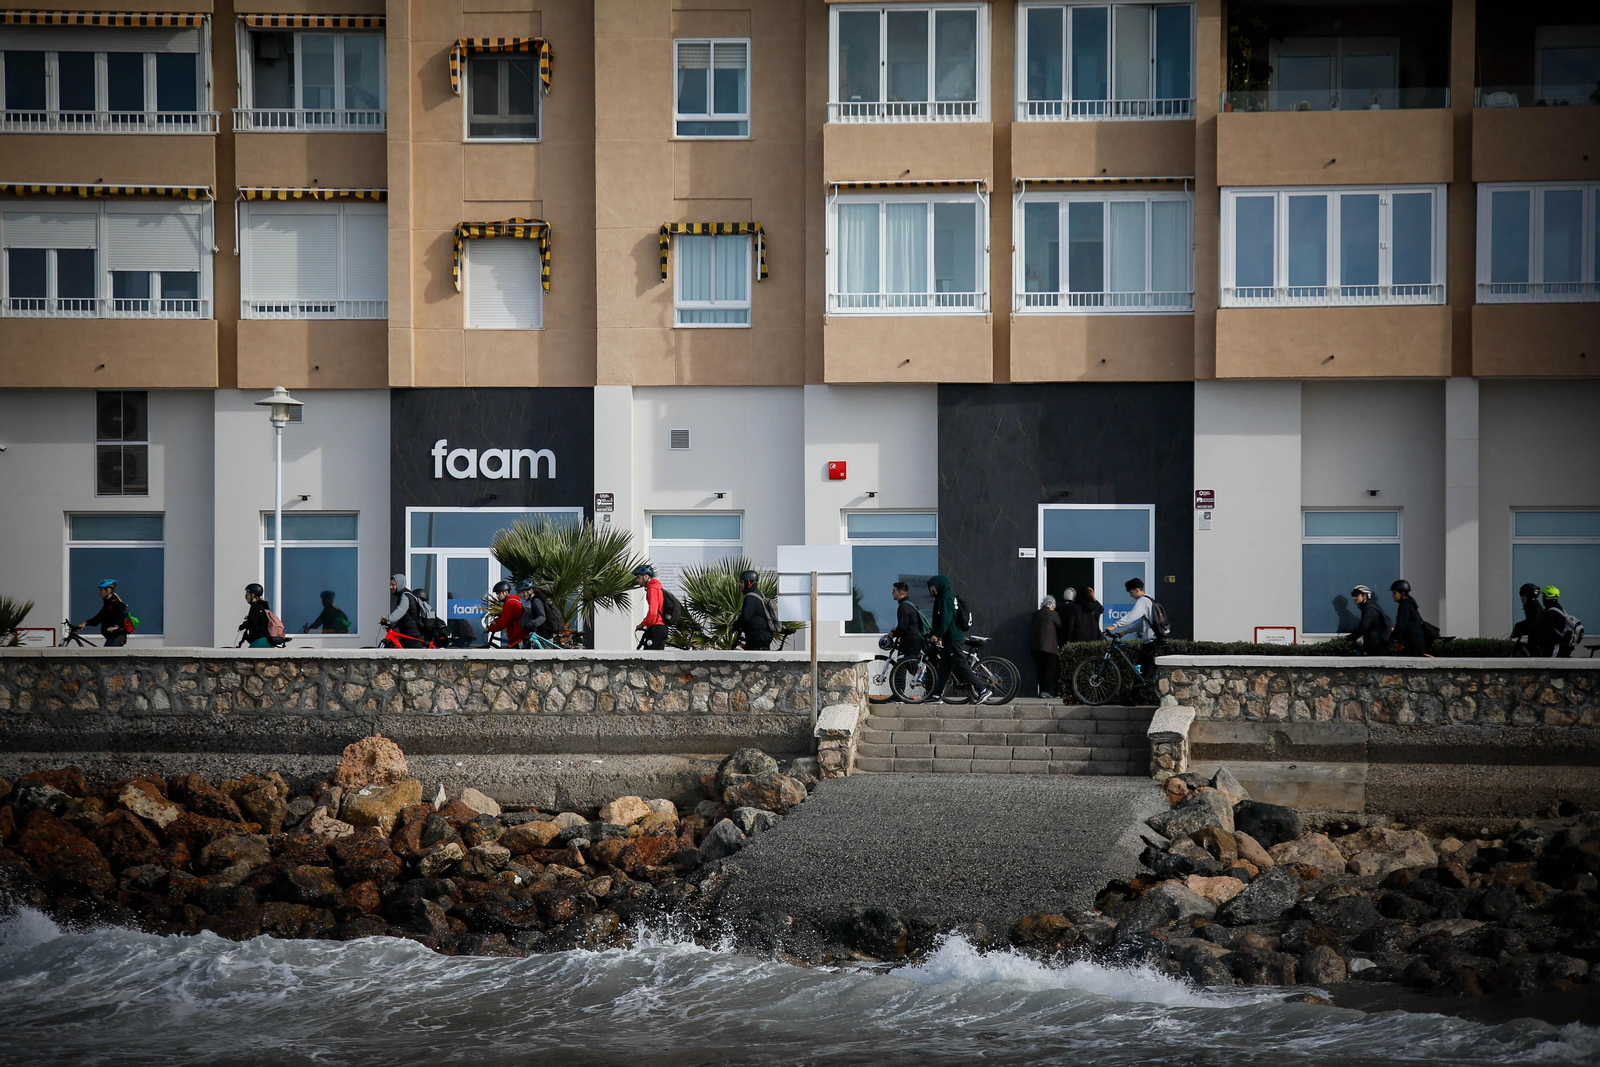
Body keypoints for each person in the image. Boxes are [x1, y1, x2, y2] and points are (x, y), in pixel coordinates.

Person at [926, 575, 990, 704]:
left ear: (940, 585)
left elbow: (946, 619)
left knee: (961, 665)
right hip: (949, 639)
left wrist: (937, 635)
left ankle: (982, 690)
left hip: (953, 638)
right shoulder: (944, 598)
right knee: (944, 668)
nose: (931, 588)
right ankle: (937, 695)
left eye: (932, 585)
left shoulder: (946, 598)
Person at [1105, 577, 1160, 687]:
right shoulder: (1150, 599)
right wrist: (1125, 632)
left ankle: (1133, 698)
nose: (1130, 595)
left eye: (1131, 592)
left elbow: (1131, 617)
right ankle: (1132, 698)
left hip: (1151, 642)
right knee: (1140, 669)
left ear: (1137, 590)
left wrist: (1114, 625)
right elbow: (1142, 624)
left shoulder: (1143, 601)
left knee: (1139, 669)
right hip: (1153, 640)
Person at [78, 578, 131, 646]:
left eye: (101, 590)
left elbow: (122, 618)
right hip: (111, 637)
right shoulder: (108, 603)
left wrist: (116, 628)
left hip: (116, 636)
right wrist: (86, 623)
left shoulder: (115, 603)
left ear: (108, 590)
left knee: (109, 655)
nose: (99, 592)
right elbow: (100, 617)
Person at [382, 573, 427, 648]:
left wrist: (387, 618)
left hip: (413, 636)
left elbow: (400, 611)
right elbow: (406, 616)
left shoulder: (405, 596)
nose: (391, 587)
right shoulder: (403, 595)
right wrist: (393, 625)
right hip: (408, 635)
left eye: (393, 585)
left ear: (399, 584)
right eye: (390, 584)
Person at [1343, 585, 1391, 654]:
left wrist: (1351, 637)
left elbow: (1364, 626)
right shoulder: (1371, 607)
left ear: (1365, 596)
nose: (1354, 598)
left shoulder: (1369, 609)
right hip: (1375, 643)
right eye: (1353, 595)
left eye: (1357, 595)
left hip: (1374, 644)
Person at [1030, 595, 1062, 698]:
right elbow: (1060, 626)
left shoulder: (1036, 614)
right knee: (1049, 670)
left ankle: (1042, 691)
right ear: (1052, 605)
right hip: (1049, 647)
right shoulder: (1053, 614)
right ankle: (1046, 691)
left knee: (1040, 669)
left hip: (1036, 647)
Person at [1532, 586, 1576, 659]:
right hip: (1561, 644)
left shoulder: (1551, 613)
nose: (1542, 599)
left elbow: (1547, 631)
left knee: (1549, 665)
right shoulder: (1559, 609)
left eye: (1544, 596)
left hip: (1555, 646)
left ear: (1546, 598)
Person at [734, 570, 774, 651]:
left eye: (741, 582)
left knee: (750, 661)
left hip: (758, 636)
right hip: (761, 635)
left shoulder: (751, 598)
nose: (740, 585)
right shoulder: (759, 594)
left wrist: (734, 626)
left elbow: (745, 617)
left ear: (749, 582)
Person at [483, 580, 527, 648]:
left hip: (517, 638)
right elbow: (508, 617)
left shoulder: (509, 603)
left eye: (499, 593)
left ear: (506, 592)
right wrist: (496, 621)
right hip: (520, 636)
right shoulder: (514, 600)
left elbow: (503, 624)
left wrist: (490, 628)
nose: (497, 596)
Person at [1390, 579, 1429, 657]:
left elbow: (1401, 625)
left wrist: (1391, 638)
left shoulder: (1404, 605)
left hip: (1413, 642)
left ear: (1403, 593)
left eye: (1395, 593)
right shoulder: (1410, 604)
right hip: (1416, 641)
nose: (1393, 595)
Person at [888, 581, 926, 657]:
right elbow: (910, 623)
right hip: (915, 640)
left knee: (902, 666)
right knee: (909, 666)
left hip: (909, 641)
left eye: (894, 591)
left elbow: (903, 627)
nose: (892, 593)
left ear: (901, 593)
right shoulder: (910, 604)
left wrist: (893, 634)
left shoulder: (903, 606)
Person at [634, 564, 666, 650]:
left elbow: (653, 612)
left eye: (638, 577)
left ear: (646, 576)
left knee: (650, 659)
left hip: (656, 627)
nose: (637, 580)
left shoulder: (652, 589)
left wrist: (643, 623)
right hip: (659, 627)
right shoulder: (655, 587)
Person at [1511, 583, 1548, 654]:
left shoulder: (1535, 608)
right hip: (1536, 644)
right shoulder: (1532, 606)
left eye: (1523, 596)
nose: (1521, 598)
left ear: (1529, 596)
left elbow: (1531, 625)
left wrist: (1518, 627)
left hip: (1538, 646)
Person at [238, 583, 276, 648]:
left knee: (248, 657)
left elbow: (252, 622)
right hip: (267, 641)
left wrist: (243, 626)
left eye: (247, 595)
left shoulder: (255, 606)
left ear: (253, 595)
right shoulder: (263, 606)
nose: (245, 597)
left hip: (260, 640)